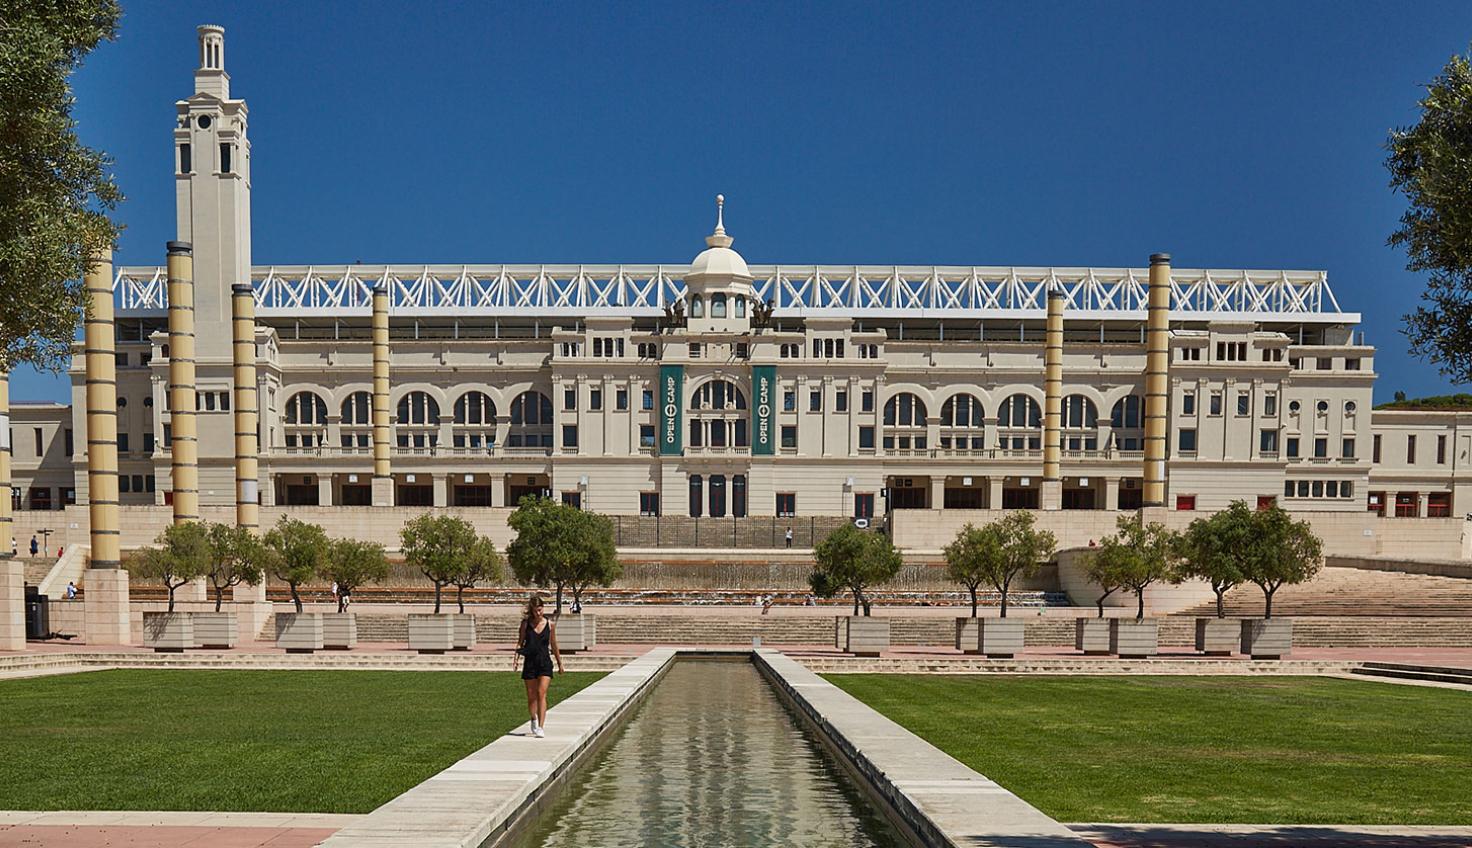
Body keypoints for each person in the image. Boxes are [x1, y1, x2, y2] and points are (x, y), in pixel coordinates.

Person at [513, 595, 562, 738]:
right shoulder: (525, 624)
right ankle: (533, 718)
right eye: (535, 611)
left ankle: (541, 727)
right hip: (530, 662)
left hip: (545, 663)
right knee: (531, 696)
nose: (537, 613)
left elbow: (554, 644)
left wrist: (560, 663)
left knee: (541, 693)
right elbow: (520, 642)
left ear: (543, 609)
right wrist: (515, 659)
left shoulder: (550, 624)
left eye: (540, 610)